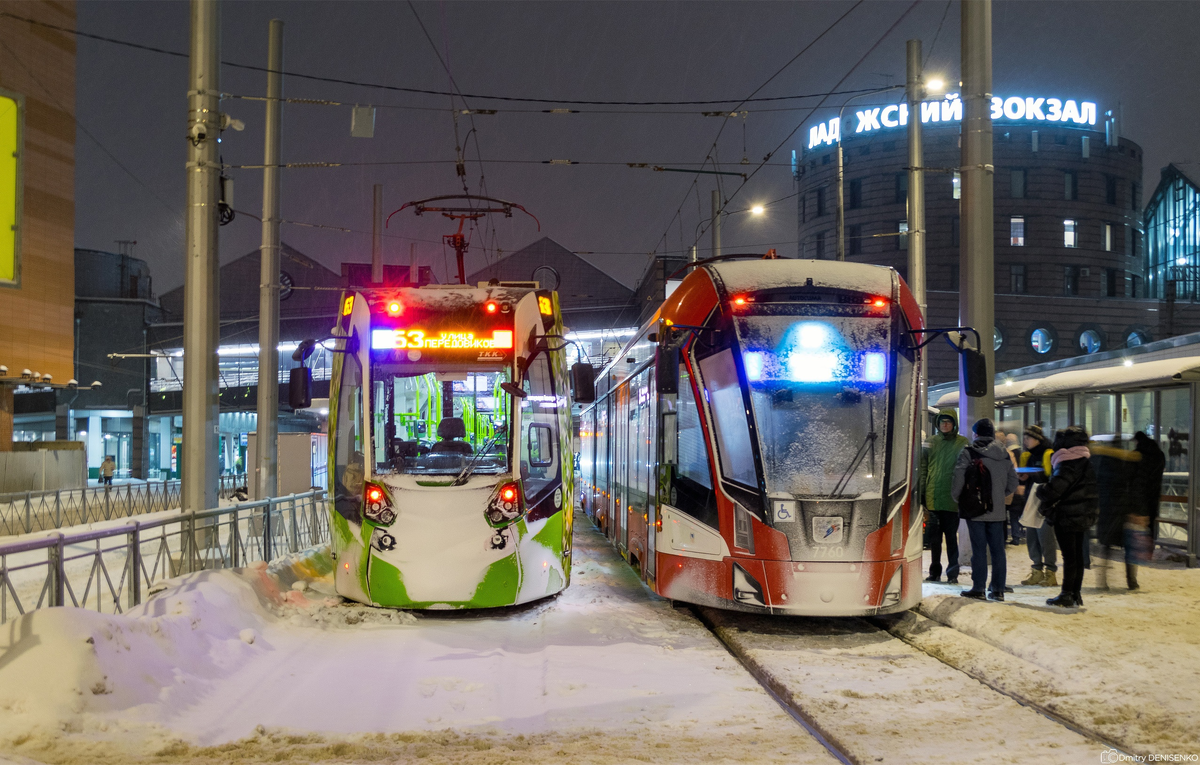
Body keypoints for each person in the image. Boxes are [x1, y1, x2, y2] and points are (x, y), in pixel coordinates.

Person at [952, 418, 1018, 601]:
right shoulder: (1004, 454)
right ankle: (997, 590)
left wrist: (958, 497)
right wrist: (999, 495)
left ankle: (979, 588)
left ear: (975, 434)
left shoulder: (969, 452)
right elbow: (1013, 482)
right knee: (998, 550)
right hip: (997, 510)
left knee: (979, 549)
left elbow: (958, 477)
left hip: (975, 509)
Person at [1037, 427, 1099, 608]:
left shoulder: (1067, 462)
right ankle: (1075, 593)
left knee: (1069, 556)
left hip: (1067, 516)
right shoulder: (1086, 462)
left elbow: (1054, 490)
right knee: (1077, 556)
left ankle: (1066, 594)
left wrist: (1041, 490)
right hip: (1083, 515)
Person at [919, 410, 970, 584]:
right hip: (933, 497)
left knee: (950, 539)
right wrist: (923, 491)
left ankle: (953, 573)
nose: (945, 425)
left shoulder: (962, 443)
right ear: (938, 424)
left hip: (952, 499)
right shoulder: (931, 442)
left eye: (948, 422)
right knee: (934, 540)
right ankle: (934, 572)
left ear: (954, 423)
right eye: (942, 422)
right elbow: (923, 466)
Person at [1092, 436, 1141, 591]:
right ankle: (1132, 581)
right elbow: (1133, 488)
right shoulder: (1127, 464)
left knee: (1106, 546)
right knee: (1129, 546)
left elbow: (1098, 486)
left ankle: (1102, 580)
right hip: (1123, 509)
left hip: (1107, 509)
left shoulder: (1102, 464)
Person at [1018, 425, 1058, 587]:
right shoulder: (1027, 456)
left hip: (1044, 503)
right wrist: (1023, 477)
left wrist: (1032, 474)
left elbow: (1051, 477)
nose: (1025, 441)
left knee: (1046, 537)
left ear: (1037, 439)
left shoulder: (1048, 454)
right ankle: (1036, 570)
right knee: (1032, 538)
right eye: (1025, 438)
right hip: (1030, 501)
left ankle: (1050, 572)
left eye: (1028, 438)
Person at [1129, 431, 1166, 590]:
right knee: (1150, 521)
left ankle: (1140, 553)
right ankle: (1149, 551)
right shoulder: (1159, 454)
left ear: (1138, 441)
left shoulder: (1137, 455)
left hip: (1139, 496)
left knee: (1137, 528)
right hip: (1154, 493)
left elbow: (1132, 477)